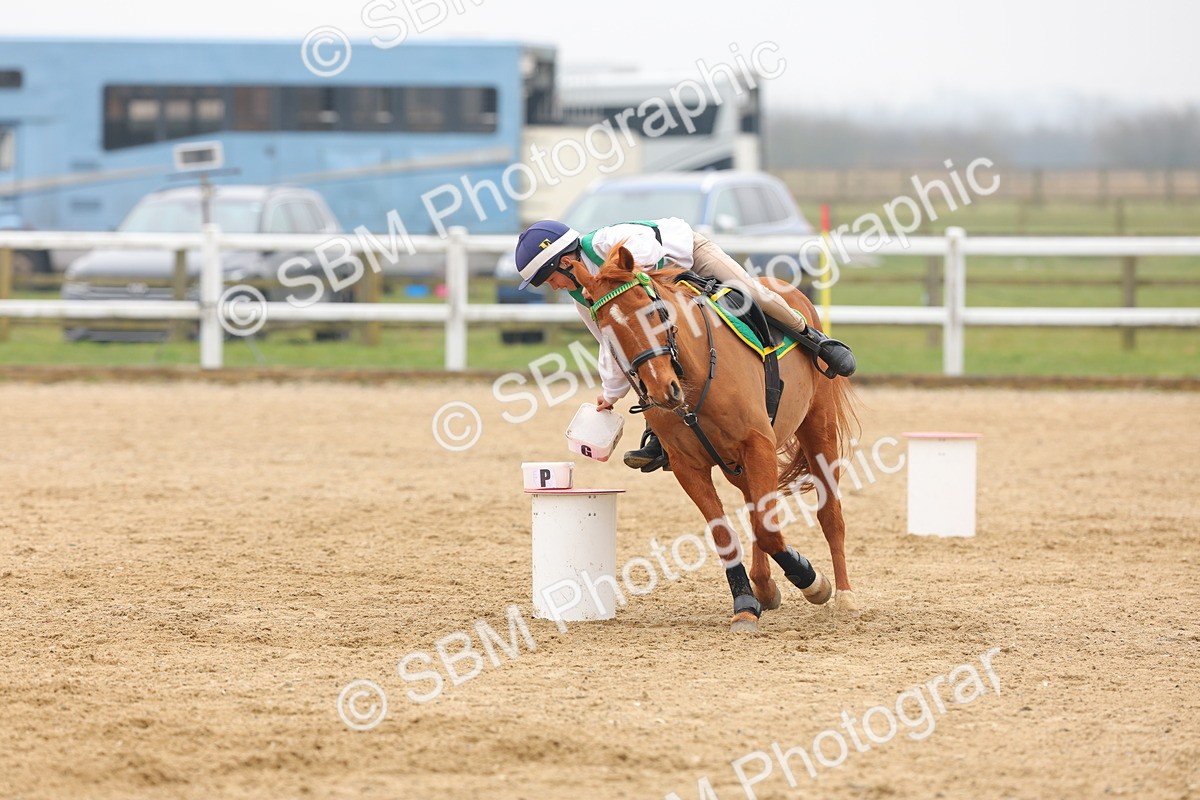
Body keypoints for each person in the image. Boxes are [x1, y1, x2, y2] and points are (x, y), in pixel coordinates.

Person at [514, 217, 856, 472]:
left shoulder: (605, 242)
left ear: (565, 262)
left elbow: (645, 248)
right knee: (646, 356)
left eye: (548, 279)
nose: (553, 287)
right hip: (663, 292)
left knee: (749, 290)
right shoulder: (583, 298)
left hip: (690, 257)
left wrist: (621, 281)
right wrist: (612, 393)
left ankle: (814, 339)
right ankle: (660, 434)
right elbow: (613, 344)